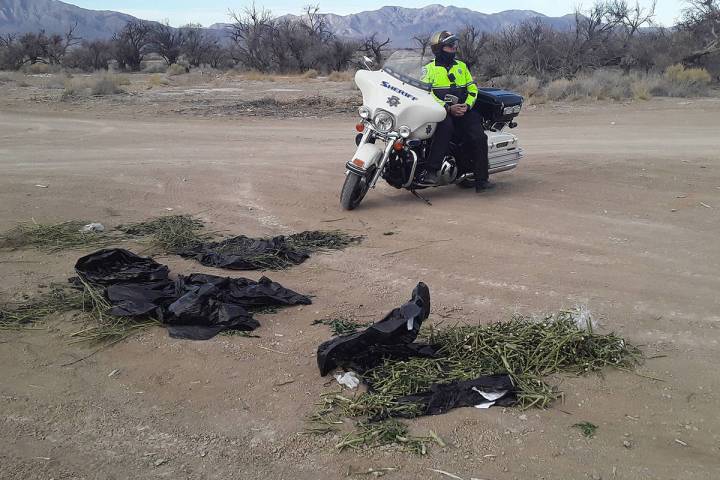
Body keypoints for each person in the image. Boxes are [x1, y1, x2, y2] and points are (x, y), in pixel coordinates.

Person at [420, 31, 494, 191]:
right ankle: (432, 171)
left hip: (463, 110)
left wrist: (466, 106)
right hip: (441, 111)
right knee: (444, 128)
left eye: (454, 45)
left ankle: (481, 179)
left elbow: (472, 89)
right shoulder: (428, 69)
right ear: (439, 49)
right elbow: (426, 92)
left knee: (479, 137)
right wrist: (447, 107)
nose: (454, 48)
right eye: (449, 45)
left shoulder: (461, 66)